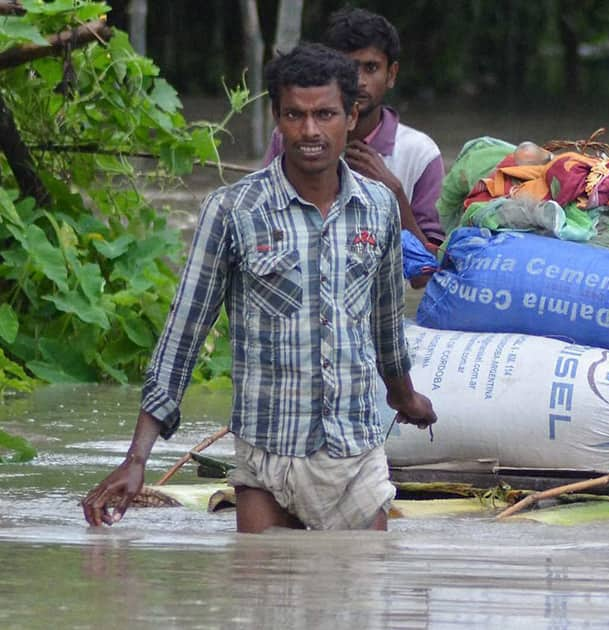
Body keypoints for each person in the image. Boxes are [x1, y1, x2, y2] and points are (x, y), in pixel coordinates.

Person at [81, 43, 437, 533]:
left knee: (364, 596)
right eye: (295, 115)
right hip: (267, 459)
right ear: (277, 117)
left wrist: (406, 398)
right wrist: (136, 458)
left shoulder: (378, 208)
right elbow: (183, 334)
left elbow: (385, 327)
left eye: (325, 114)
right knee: (261, 599)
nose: (310, 131)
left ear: (351, 117)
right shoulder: (232, 211)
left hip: (355, 458)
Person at [264, 7, 445, 257]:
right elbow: (261, 221)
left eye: (370, 68)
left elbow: (428, 271)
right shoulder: (293, 137)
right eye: (348, 68)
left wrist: (395, 195)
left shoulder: (420, 153)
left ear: (391, 74)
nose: (358, 81)